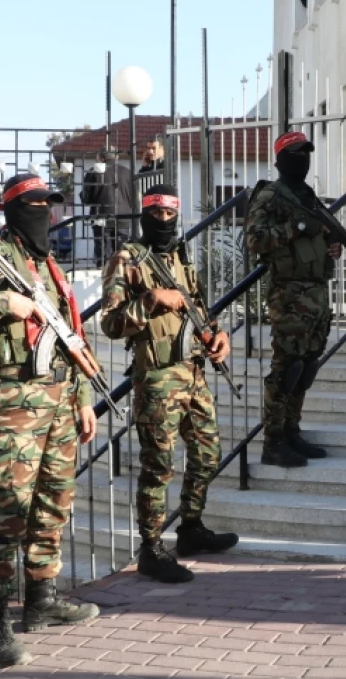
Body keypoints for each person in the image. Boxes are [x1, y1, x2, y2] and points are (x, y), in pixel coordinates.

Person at [0, 173, 100, 667]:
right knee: (7, 517)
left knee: (53, 505)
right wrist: (2, 302)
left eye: (49, 203)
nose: (45, 211)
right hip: (15, 405)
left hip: (61, 403)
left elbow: (71, 337)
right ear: (12, 209)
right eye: (34, 204)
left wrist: (85, 398)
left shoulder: (47, 264)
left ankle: (42, 600)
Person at [100, 183, 238, 584]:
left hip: (193, 373)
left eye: (169, 214)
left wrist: (217, 334)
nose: (163, 220)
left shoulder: (180, 256)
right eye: (156, 213)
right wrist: (150, 301)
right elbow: (109, 323)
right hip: (157, 377)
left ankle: (191, 527)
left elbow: (196, 305)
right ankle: (151, 548)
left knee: (208, 455)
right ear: (144, 214)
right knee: (158, 466)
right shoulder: (128, 258)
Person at [245, 131, 341, 468]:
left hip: (316, 292)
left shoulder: (307, 194)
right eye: (296, 153)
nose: (302, 158)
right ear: (280, 158)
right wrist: (299, 226)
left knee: (307, 366)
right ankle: (273, 442)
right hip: (288, 294)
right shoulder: (271, 195)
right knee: (286, 368)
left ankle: (291, 431)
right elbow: (255, 240)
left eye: (306, 152)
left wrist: (332, 246)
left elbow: (323, 234)